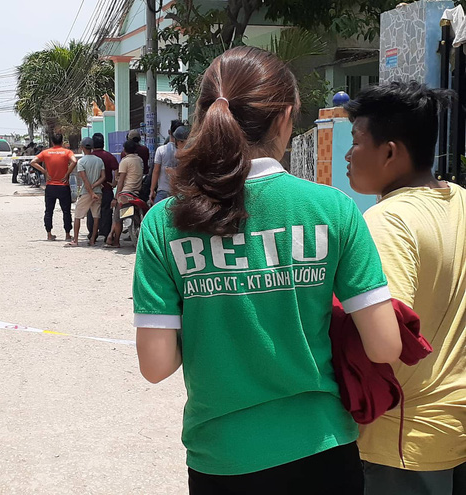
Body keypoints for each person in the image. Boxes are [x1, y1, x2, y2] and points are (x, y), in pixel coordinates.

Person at [132, 46, 402, 494]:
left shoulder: (164, 222)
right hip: (323, 449)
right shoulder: (333, 209)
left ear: (206, 116)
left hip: (222, 458)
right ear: (285, 118)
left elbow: (156, 365)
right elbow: (384, 346)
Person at [344, 82, 466, 495]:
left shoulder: (387, 222)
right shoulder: (462, 202)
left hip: (403, 436)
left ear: (390, 151)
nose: (347, 155)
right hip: (455, 424)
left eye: (356, 141)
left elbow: (384, 340)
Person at [29, 133, 77, 241]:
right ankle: (67, 234)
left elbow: (33, 162)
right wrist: (67, 173)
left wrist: (45, 171)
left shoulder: (46, 152)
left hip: (50, 186)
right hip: (63, 186)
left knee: (49, 211)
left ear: (52, 142)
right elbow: (74, 161)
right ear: (62, 141)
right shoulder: (67, 152)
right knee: (66, 211)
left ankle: (49, 234)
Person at [67, 137, 105, 247]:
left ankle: (75, 240)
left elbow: (84, 179)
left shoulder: (82, 162)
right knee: (96, 216)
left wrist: (91, 191)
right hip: (98, 192)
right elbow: (103, 177)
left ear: (82, 148)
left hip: (86, 193)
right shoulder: (99, 160)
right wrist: (95, 186)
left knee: (78, 215)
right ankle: (93, 239)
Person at [105, 140, 143, 248]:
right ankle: (110, 235)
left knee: (117, 218)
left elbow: (120, 181)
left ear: (125, 150)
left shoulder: (124, 161)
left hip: (126, 192)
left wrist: (116, 197)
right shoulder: (139, 160)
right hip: (137, 192)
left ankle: (116, 241)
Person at [87, 133, 119, 240]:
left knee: (92, 211)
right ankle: (106, 234)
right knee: (106, 211)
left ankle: (92, 233)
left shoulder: (89, 157)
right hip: (106, 188)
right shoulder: (109, 156)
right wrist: (114, 182)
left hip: (92, 189)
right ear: (103, 143)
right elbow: (116, 170)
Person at [150, 119, 184, 204]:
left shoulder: (161, 150)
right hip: (178, 192)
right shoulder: (184, 152)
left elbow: (156, 171)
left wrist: (152, 190)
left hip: (163, 191)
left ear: (169, 132)